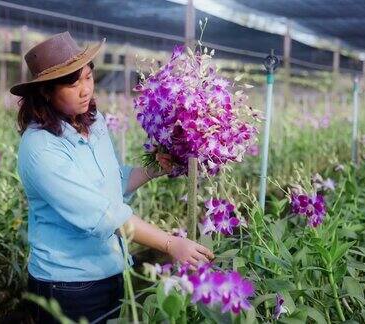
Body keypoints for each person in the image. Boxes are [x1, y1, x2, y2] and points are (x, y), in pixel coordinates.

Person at [11, 32, 214, 324]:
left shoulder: (94, 123)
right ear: (45, 91)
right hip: (68, 285)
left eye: (88, 78)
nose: (86, 90)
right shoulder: (40, 148)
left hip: (112, 270)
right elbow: (103, 214)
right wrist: (170, 244)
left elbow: (112, 184)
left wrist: (152, 169)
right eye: (73, 83)